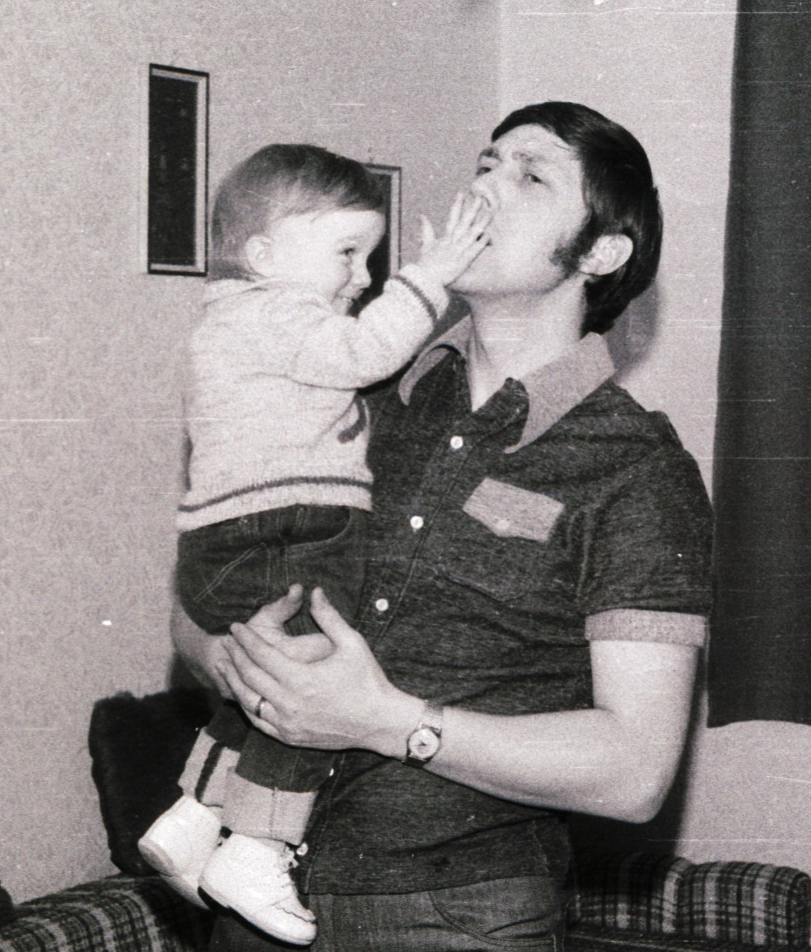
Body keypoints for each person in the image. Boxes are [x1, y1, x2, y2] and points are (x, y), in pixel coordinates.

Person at [171, 102, 714, 952]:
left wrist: (386, 721)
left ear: (601, 253)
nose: (487, 187)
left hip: (457, 915)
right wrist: (242, 667)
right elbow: (198, 603)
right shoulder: (342, 393)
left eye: (530, 176)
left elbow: (635, 772)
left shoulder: (639, 471)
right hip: (252, 899)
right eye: (486, 163)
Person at [139, 143, 491, 945]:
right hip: (286, 530)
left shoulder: (233, 319)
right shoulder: (273, 312)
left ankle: (197, 814)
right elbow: (365, 353)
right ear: (263, 254)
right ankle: (259, 844)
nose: (363, 277)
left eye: (369, 258)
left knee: (273, 677)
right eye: (346, 253)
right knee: (318, 683)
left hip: (235, 538)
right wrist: (428, 276)